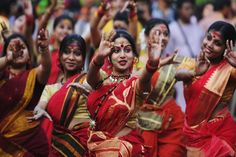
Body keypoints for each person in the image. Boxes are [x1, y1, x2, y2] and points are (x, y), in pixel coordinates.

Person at [85, 29, 168, 156]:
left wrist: (152, 63)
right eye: (116, 51)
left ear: (134, 56)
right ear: (109, 57)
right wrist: (99, 56)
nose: (122, 55)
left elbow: (145, 80)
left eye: (127, 50)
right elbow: (91, 77)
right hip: (94, 148)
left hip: (124, 150)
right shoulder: (101, 80)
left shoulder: (136, 84)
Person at [175, 21, 236, 156]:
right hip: (192, 133)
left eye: (217, 43)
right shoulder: (192, 64)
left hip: (219, 135)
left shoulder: (229, 70)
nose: (209, 45)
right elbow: (177, 75)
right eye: (208, 38)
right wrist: (195, 73)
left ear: (226, 47)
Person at [31, 34, 90, 156]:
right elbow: (40, 106)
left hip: (83, 145)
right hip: (56, 144)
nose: (71, 57)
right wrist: (38, 110)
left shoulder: (88, 81)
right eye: (67, 52)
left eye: (77, 53)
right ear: (60, 56)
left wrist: (91, 94)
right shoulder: (50, 89)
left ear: (84, 58)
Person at [137, 18, 186, 157]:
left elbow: (197, 71)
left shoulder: (175, 61)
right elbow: (132, 79)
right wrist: (156, 63)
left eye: (166, 34)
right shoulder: (134, 60)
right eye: (158, 33)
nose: (162, 38)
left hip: (171, 125)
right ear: (146, 35)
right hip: (142, 124)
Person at [0, 28, 51, 156]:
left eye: (22, 47)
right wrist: (8, 59)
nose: (18, 51)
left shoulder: (34, 76)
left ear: (29, 55)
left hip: (29, 144)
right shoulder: (2, 76)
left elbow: (46, 66)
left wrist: (44, 48)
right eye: (12, 48)